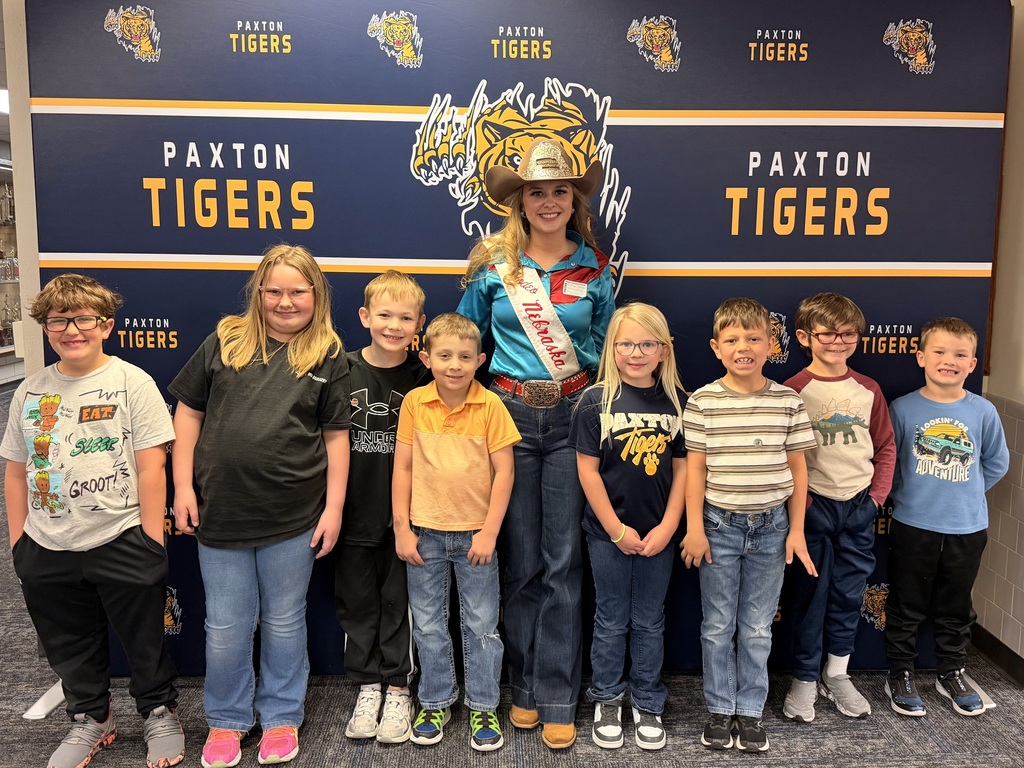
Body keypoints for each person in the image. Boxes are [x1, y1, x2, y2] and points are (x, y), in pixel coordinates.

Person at [457, 136, 614, 749]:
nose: (548, 202)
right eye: (536, 192)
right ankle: (520, 688)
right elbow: (464, 343)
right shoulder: (492, 268)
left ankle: (555, 695)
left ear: (573, 199)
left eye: (559, 191)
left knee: (563, 563)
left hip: (573, 414)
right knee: (519, 561)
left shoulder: (595, 268)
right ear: (518, 201)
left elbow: (605, 350)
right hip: (509, 416)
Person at [170, 244, 351, 767]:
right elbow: (187, 415)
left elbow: (336, 438)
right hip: (221, 513)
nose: (285, 301)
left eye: (298, 291)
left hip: (294, 515)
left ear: (316, 296)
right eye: (274, 291)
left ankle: (280, 716)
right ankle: (226, 720)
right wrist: (183, 487)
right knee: (226, 626)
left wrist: (334, 508)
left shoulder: (327, 354)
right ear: (258, 293)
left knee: (284, 621)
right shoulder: (224, 341)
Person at [1, 273, 183, 768]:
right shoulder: (30, 391)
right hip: (46, 543)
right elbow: (16, 473)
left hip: (122, 536)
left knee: (144, 638)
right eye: (59, 320)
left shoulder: (131, 382)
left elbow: (152, 465)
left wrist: (151, 540)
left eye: (84, 319)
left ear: (105, 325)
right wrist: (20, 544)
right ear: (45, 327)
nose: (71, 330)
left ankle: (158, 712)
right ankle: (92, 717)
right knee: (68, 641)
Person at [680, 297, 818, 753]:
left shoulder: (788, 401)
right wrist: (694, 528)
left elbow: (799, 470)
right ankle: (720, 709)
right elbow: (695, 470)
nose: (744, 347)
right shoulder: (702, 402)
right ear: (716, 348)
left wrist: (796, 531)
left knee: (757, 626)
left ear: (771, 344)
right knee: (718, 625)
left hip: (772, 528)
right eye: (733, 339)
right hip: (718, 525)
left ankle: (750, 710)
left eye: (754, 338)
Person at [392, 312, 520, 751]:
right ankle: (435, 700)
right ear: (425, 357)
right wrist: (401, 528)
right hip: (424, 534)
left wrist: (489, 533)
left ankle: (483, 705)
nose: (454, 365)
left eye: (465, 357)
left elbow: (504, 473)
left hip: (474, 537)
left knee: (482, 625)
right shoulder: (414, 403)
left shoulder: (491, 406)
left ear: (480, 360)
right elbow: (403, 467)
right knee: (428, 624)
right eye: (444, 355)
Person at [570, 303, 687, 751]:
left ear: (663, 349)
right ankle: (606, 697)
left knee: (650, 621)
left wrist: (669, 527)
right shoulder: (593, 401)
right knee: (610, 619)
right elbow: (587, 472)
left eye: (646, 344)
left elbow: (683, 473)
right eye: (626, 344)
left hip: (660, 534)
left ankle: (647, 698)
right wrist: (616, 529)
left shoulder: (678, 401)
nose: (636, 353)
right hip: (607, 534)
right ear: (612, 348)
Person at [885, 317, 1008, 717]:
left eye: (959, 354)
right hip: (912, 524)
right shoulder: (902, 408)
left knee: (956, 605)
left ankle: (951, 670)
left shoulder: (983, 411)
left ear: (972, 364)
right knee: (906, 602)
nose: (948, 361)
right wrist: (916, 496)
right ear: (921, 356)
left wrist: (964, 493)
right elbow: (893, 464)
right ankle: (900, 672)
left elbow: (995, 463)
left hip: (967, 527)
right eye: (938, 351)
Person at [782, 293, 896, 722]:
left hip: (859, 508)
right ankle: (805, 679)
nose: (838, 341)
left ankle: (837, 674)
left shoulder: (868, 390)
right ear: (804, 337)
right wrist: (804, 504)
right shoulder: (794, 390)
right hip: (813, 510)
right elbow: (783, 455)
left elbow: (885, 448)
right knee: (810, 595)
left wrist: (876, 500)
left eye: (848, 333)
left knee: (849, 594)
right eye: (828, 333)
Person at [336, 270, 429, 744]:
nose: (394, 325)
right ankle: (367, 687)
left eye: (405, 317)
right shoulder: (341, 370)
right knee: (357, 608)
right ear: (365, 316)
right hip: (351, 514)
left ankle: (397, 688)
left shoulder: (426, 376)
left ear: (419, 324)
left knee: (399, 607)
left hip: (408, 519)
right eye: (385, 315)